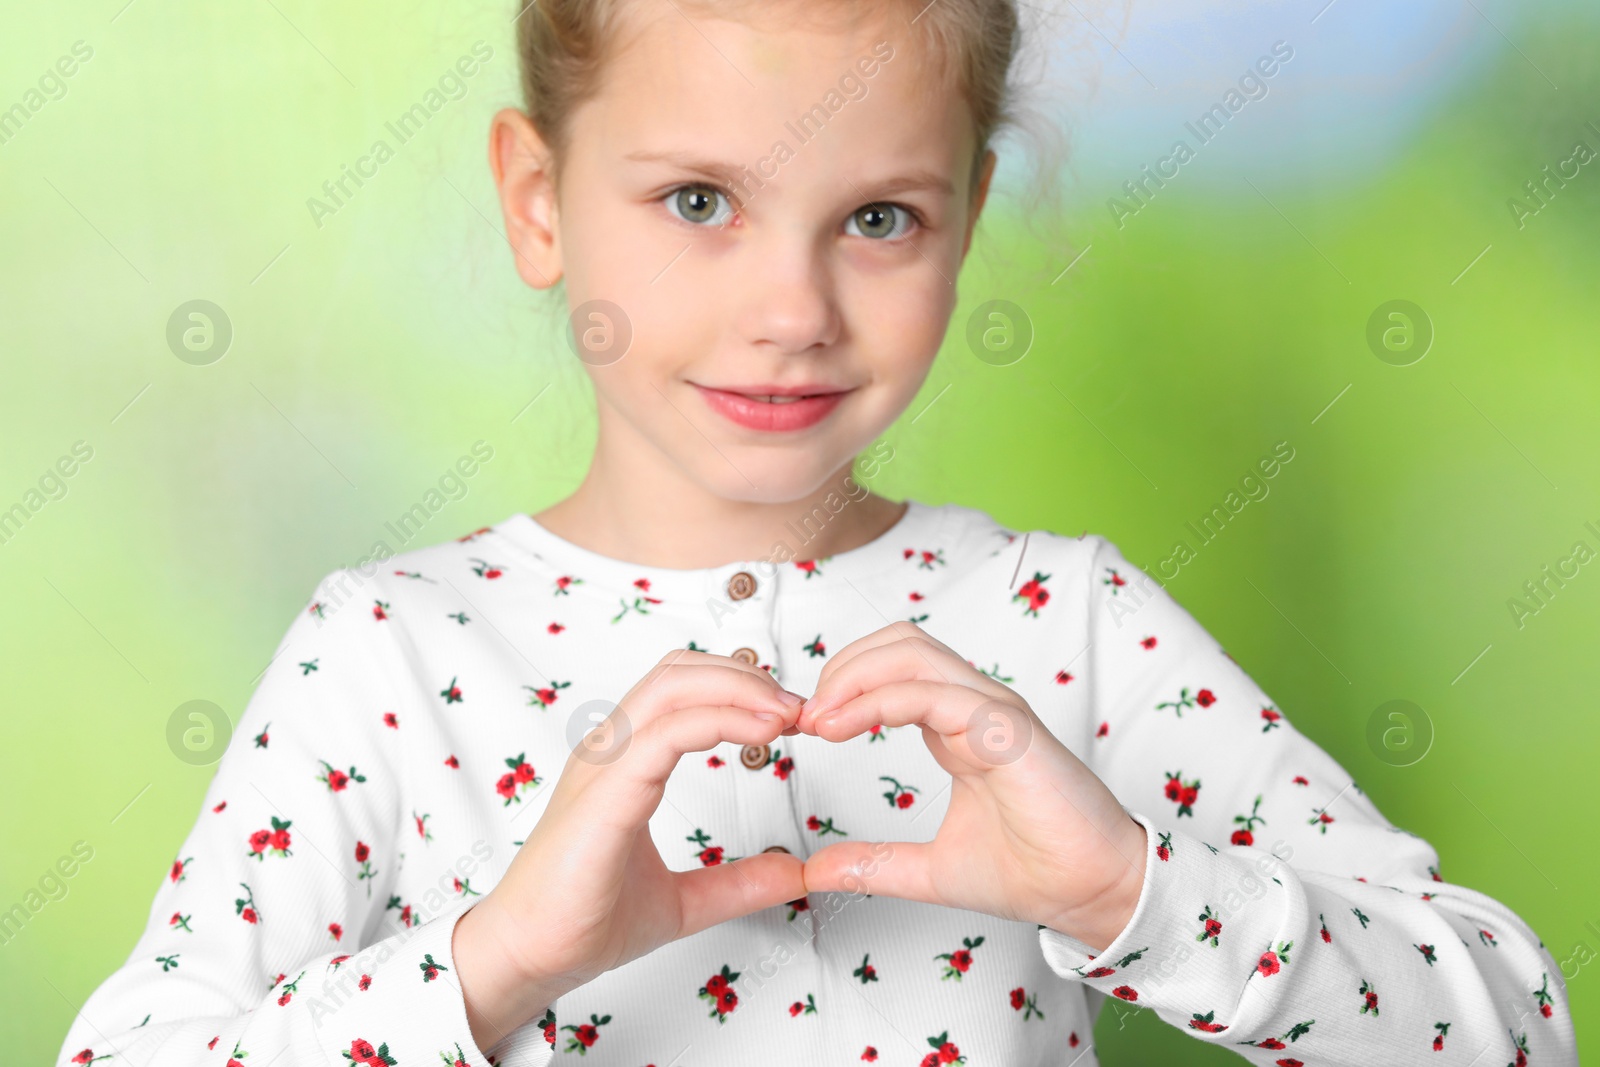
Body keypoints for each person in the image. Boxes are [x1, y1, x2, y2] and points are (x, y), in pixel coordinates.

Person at [58, 1, 1576, 1064]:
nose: (791, 314)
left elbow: (1512, 1028)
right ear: (539, 200)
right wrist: (499, 959)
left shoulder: (1064, 627)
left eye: (877, 220)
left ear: (969, 216)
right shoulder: (391, 654)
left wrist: (1128, 890)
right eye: (700, 199)